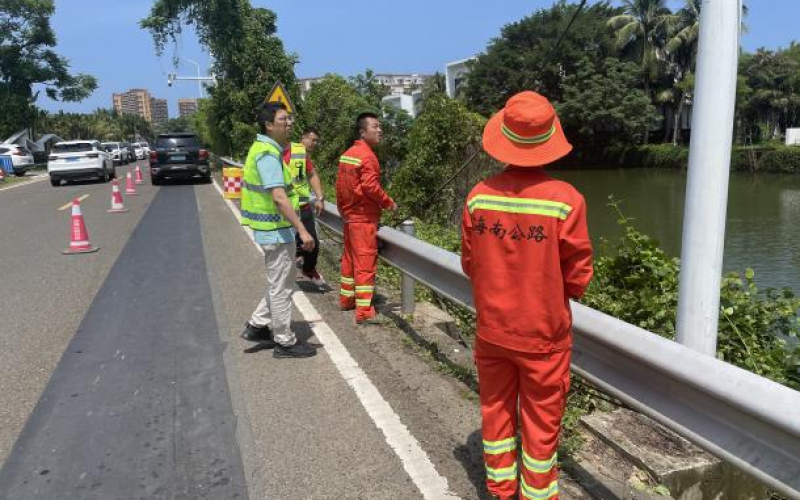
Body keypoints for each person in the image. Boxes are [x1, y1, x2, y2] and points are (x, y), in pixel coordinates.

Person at [461, 91, 593, 500]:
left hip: (492, 331)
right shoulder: (566, 201)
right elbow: (579, 277)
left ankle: (501, 491)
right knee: (541, 421)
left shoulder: (478, 195)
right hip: (544, 336)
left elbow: (470, 263)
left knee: (496, 413)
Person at [239, 101, 317, 359]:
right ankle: (285, 341)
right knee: (283, 287)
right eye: (283, 119)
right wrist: (303, 231)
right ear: (269, 125)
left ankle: (257, 325)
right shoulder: (268, 154)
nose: (289, 123)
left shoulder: (266, 149)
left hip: (273, 228)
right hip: (276, 229)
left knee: (279, 281)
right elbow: (279, 197)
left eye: (289, 118)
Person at [335, 112, 398, 324]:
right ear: (363, 132)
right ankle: (364, 312)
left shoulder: (347, 154)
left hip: (350, 217)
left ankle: (347, 300)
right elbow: (370, 186)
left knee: (349, 261)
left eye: (380, 126)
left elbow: (340, 187)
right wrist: (388, 202)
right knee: (364, 264)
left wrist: (343, 210)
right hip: (363, 219)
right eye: (375, 126)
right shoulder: (367, 156)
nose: (379, 130)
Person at [288, 126, 326, 286]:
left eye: (317, 141)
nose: (314, 143)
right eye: (312, 139)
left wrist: (320, 197)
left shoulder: (303, 155)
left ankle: (308, 269)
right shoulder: (284, 151)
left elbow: (312, 174)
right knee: (288, 246)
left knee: (312, 243)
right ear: (303, 137)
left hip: (303, 207)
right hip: (286, 209)